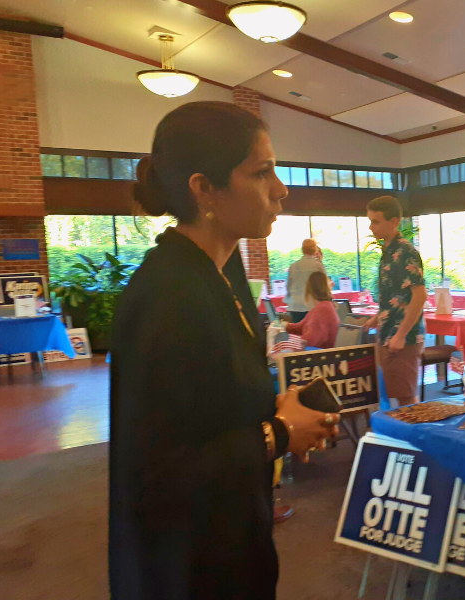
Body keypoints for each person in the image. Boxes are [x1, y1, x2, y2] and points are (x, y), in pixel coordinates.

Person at [109, 101, 339, 600]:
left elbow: (209, 406)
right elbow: (158, 471)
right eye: (261, 173)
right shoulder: (166, 293)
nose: (280, 190)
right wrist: (277, 433)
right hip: (187, 567)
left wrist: (281, 411)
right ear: (203, 188)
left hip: (234, 537)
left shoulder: (223, 274)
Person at [365, 195, 426, 406]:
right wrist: (376, 318)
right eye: (370, 221)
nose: (371, 227)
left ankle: (414, 439)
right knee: (395, 392)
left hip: (404, 337)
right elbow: (397, 296)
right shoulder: (388, 251)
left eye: (376, 221)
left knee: (406, 397)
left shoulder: (406, 251)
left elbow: (419, 296)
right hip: (388, 332)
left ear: (394, 222)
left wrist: (401, 335)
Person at [285, 271, 339, 348]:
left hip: (320, 356)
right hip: (320, 353)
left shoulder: (322, 310)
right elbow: (299, 327)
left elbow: (308, 341)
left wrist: (285, 340)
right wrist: (283, 326)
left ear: (309, 289)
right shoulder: (323, 306)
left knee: (278, 350)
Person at [285, 238, 327, 322]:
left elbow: (288, 287)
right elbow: (324, 287)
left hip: (295, 306)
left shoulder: (293, 266)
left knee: (298, 334)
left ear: (302, 250)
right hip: (312, 305)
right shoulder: (318, 266)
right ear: (315, 249)